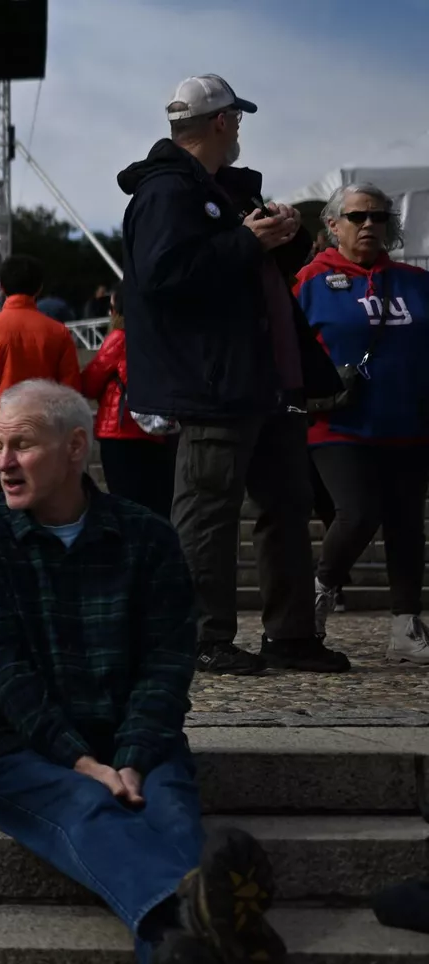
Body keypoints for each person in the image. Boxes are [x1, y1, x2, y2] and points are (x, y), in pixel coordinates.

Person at [0, 380, 282, 964]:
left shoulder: (147, 537)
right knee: (84, 808)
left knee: (172, 811)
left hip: (140, 744)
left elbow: (166, 664)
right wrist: (83, 760)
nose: (3, 462)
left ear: (75, 448)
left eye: (23, 445)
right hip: (21, 749)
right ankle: (220, 924)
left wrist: (128, 756)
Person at [118, 74, 348, 676]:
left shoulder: (223, 189)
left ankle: (291, 635)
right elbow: (164, 276)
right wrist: (247, 242)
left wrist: (283, 239)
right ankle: (202, 637)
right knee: (207, 509)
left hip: (265, 378)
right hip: (215, 383)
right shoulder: (167, 192)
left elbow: (247, 272)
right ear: (221, 122)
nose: (241, 128)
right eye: (237, 119)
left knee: (287, 505)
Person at [296, 182, 429, 662]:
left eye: (378, 216)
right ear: (333, 226)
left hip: (409, 425)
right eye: (357, 217)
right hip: (337, 426)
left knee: (407, 523)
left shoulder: (417, 283)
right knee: (357, 511)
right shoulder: (309, 281)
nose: (369, 224)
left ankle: (405, 625)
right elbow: (284, 349)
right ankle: (317, 595)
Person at [0, 255, 80, 479]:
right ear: (39, 288)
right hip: (44, 432)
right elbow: (70, 390)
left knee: (1, 507)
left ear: (1, 287)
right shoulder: (59, 333)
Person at [78, 289, 173, 519]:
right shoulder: (162, 337)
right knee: (156, 506)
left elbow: (89, 383)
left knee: (125, 506)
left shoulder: (119, 338)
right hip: (158, 432)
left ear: (117, 311)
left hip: (120, 432)